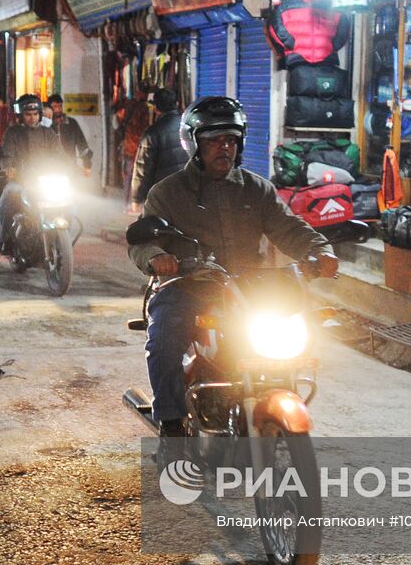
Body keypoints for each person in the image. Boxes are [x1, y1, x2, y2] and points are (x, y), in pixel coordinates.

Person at [127, 97, 338, 437]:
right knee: (163, 334)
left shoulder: (257, 190)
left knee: (293, 329)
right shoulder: (167, 192)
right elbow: (140, 240)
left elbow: (289, 228)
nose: (223, 148)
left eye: (230, 140)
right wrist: (156, 257)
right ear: (194, 145)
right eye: (213, 141)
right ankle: (170, 423)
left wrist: (318, 251)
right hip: (189, 286)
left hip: (250, 289)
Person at [0, 94, 64, 249]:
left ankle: (59, 238)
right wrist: (9, 168)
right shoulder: (12, 133)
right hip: (20, 181)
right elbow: (7, 154)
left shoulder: (49, 133)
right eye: (28, 115)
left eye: (35, 114)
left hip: (44, 181)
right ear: (21, 115)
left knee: (68, 200)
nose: (32, 118)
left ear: (40, 114)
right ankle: (2, 236)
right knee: (9, 195)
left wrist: (72, 168)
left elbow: (60, 154)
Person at [128, 88, 188, 213]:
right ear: (176, 104)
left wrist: (136, 199)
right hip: (188, 191)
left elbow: (142, 169)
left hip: (162, 196)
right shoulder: (189, 128)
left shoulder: (152, 133)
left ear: (156, 108)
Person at [47, 93, 92, 175]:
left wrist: (87, 165)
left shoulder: (72, 123)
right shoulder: (46, 125)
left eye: (60, 106)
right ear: (49, 108)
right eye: (55, 107)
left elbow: (82, 144)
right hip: (49, 169)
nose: (58, 110)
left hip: (70, 168)